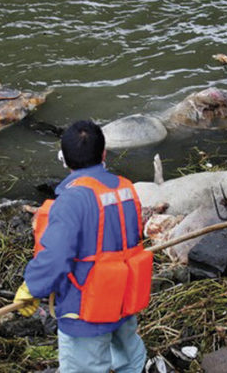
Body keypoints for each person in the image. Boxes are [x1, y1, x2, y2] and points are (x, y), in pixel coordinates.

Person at [14, 120, 147, 373]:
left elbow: (55, 257)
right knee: (130, 358)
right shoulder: (126, 188)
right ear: (104, 154)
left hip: (88, 307)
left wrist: (32, 286)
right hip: (124, 296)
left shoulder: (71, 200)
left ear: (64, 159)